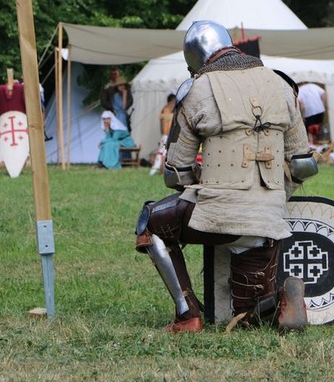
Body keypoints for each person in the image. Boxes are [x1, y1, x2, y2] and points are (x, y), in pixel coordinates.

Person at [134, 20, 319, 333]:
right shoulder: (281, 85)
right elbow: (304, 165)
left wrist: (206, 186)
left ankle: (187, 315)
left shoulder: (196, 89)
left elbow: (174, 172)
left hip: (219, 217)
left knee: (150, 222)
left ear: (195, 57)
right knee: (244, 317)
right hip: (269, 220)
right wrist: (270, 197)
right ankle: (279, 301)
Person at [149, 93, 177, 176]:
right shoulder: (166, 109)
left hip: (171, 135)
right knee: (162, 152)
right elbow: (163, 120)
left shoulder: (172, 110)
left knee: (167, 153)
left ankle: (165, 169)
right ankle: (156, 169)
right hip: (166, 135)